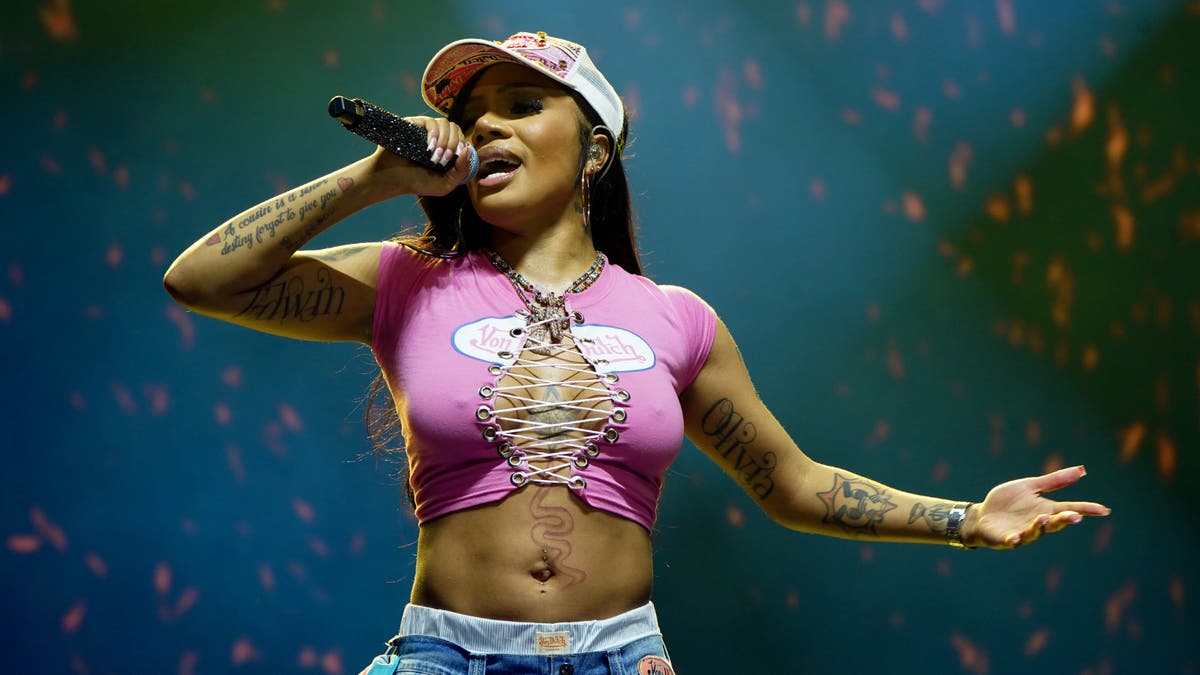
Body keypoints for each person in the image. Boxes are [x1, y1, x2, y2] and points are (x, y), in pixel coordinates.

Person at [163, 31, 1111, 675]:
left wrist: (966, 518)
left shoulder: (675, 320)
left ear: (594, 151)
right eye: (475, 114)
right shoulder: (407, 280)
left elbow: (793, 483)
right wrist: (376, 175)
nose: (486, 127)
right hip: (445, 656)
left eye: (522, 105)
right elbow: (201, 279)